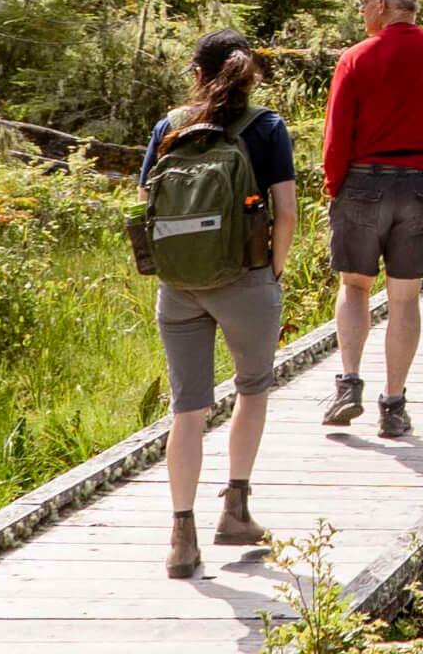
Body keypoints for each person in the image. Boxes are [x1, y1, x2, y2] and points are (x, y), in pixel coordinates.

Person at [139, 30, 297, 581]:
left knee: (187, 410)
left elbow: (147, 202)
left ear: (196, 72)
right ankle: (235, 509)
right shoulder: (267, 127)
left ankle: (182, 537)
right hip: (247, 279)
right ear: (249, 72)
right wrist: (271, 273)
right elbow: (287, 213)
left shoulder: (170, 125)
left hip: (178, 284)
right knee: (251, 390)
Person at [319, 0, 423, 440]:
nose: (362, 9)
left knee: (355, 286)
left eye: (365, 1)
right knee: (405, 298)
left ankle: (348, 384)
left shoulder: (356, 59)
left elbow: (336, 135)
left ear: (383, 5)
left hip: (363, 183)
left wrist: (335, 186)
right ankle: (394, 404)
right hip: (421, 181)